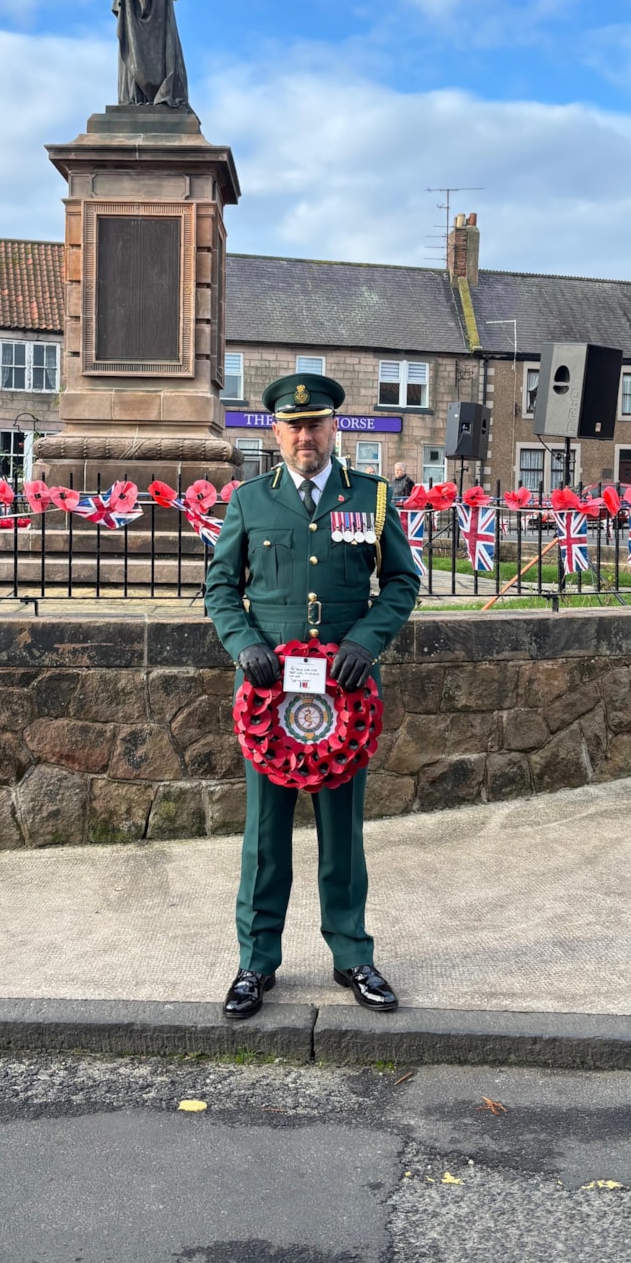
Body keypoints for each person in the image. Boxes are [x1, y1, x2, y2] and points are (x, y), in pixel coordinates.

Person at [204, 373, 421, 1021]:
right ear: (276, 431)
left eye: (317, 422)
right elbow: (220, 588)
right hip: (271, 698)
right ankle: (255, 961)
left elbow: (403, 580)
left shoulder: (372, 496)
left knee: (342, 829)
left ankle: (352, 952)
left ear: (335, 428)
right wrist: (243, 642)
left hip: (346, 697)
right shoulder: (250, 500)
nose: (305, 434)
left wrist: (367, 640)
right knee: (265, 833)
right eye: (293, 424)